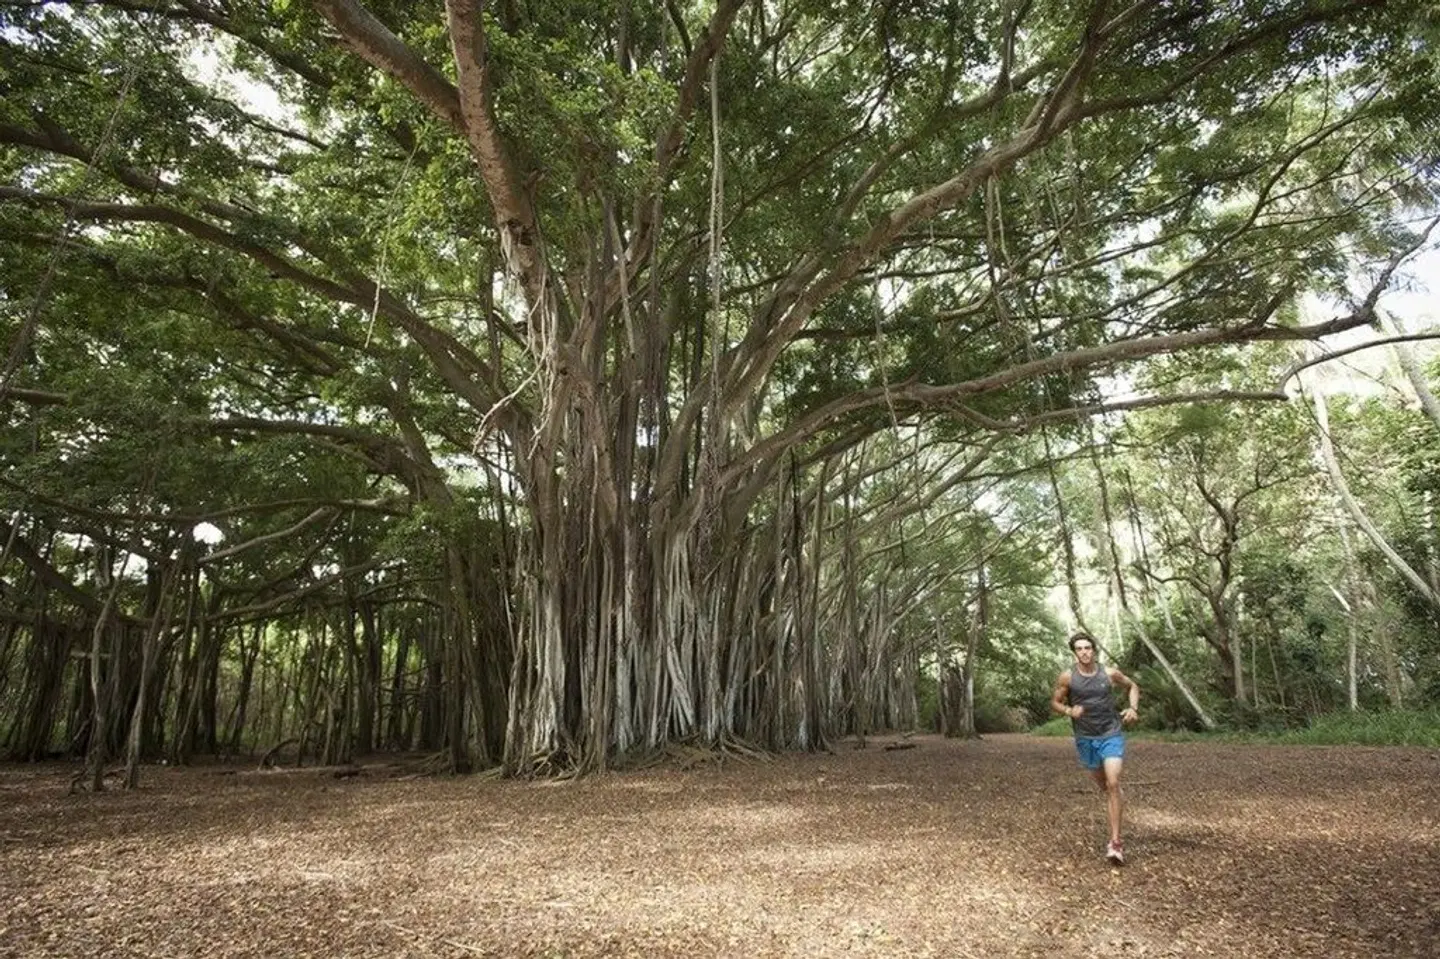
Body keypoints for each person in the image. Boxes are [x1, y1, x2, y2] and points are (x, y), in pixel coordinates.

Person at [1051, 631, 1140, 864]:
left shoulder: (1109, 673)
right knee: (1106, 787)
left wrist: (1133, 708)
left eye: (1087, 648)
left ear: (1094, 650)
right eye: (1079, 648)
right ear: (1074, 652)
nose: (1084, 652)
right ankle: (1115, 800)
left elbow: (1133, 686)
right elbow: (1055, 702)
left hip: (1111, 732)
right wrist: (1070, 711)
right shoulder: (1067, 678)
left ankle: (1115, 843)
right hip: (1085, 737)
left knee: (1113, 782)